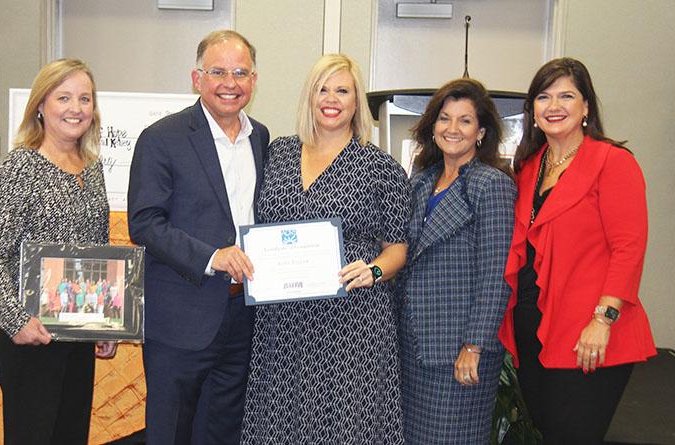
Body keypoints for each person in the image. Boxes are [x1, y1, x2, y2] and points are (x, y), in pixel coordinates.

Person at [241, 54, 410, 444]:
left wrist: (374, 271)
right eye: (322, 89)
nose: (331, 99)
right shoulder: (278, 153)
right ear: (309, 96)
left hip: (352, 320)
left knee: (345, 424)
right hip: (283, 321)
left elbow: (398, 248)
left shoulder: (380, 167)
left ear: (356, 101)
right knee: (281, 421)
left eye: (342, 90)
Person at [498, 57, 657, 444]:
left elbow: (628, 248)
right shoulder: (528, 168)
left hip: (588, 332)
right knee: (547, 430)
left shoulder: (613, 162)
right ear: (533, 111)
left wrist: (603, 320)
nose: (554, 106)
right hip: (534, 329)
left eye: (566, 96)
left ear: (586, 106)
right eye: (544, 97)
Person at [127, 30, 269, 444]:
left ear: (254, 80)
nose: (230, 83)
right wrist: (212, 257)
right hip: (179, 319)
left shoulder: (261, 137)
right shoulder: (162, 138)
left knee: (222, 432)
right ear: (197, 78)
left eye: (240, 73)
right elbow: (145, 222)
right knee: (170, 433)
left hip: (242, 318)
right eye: (218, 72)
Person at [0, 58, 117, 445]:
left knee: (71, 434)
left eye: (85, 98)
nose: (76, 108)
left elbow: (98, 249)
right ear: (41, 105)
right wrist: (16, 319)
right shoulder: (19, 167)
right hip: (31, 333)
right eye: (64, 98)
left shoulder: (92, 168)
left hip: (78, 329)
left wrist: (107, 321)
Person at [397, 78, 516, 444]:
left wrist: (474, 345)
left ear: (481, 132)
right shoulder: (422, 180)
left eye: (465, 121)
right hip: (412, 345)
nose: (452, 128)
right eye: (444, 118)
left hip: (458, 351)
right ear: (432, 126)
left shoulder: (491, 184)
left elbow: (496, 275)